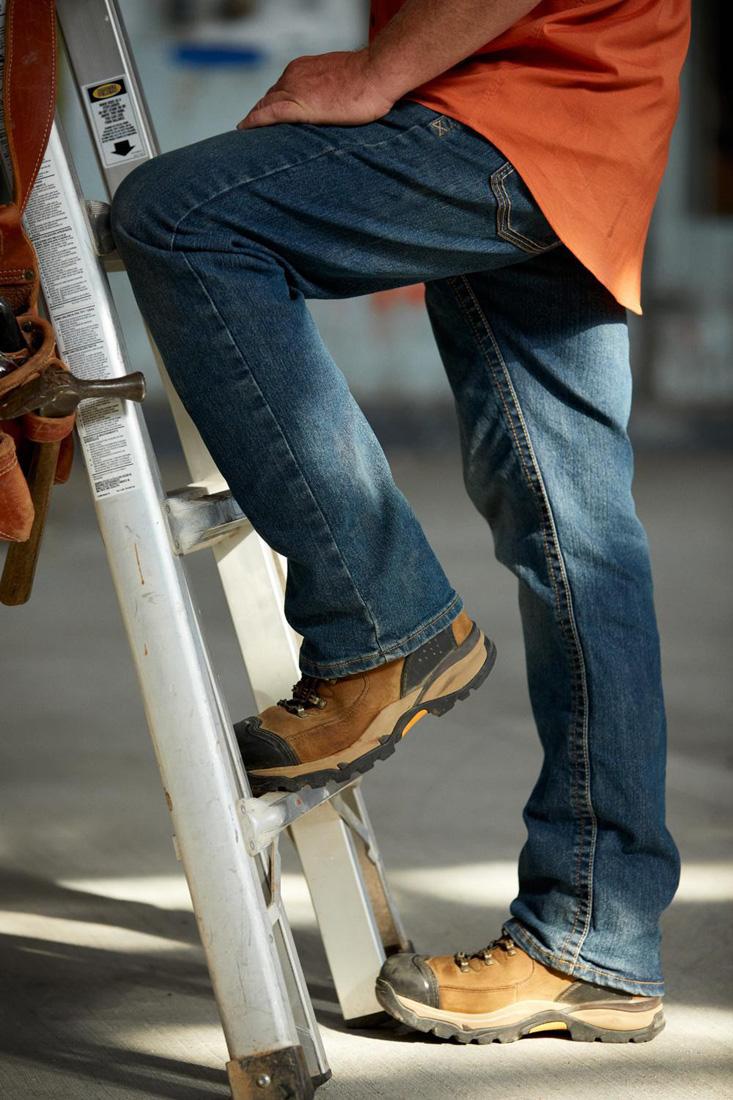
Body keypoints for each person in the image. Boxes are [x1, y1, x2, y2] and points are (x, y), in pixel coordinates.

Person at [110, 0, 690, 1047]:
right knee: (579, 540)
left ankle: (382, 629)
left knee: (183, 215)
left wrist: (376, 72)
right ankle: (596, 941)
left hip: (512, 111)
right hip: (580, 120)